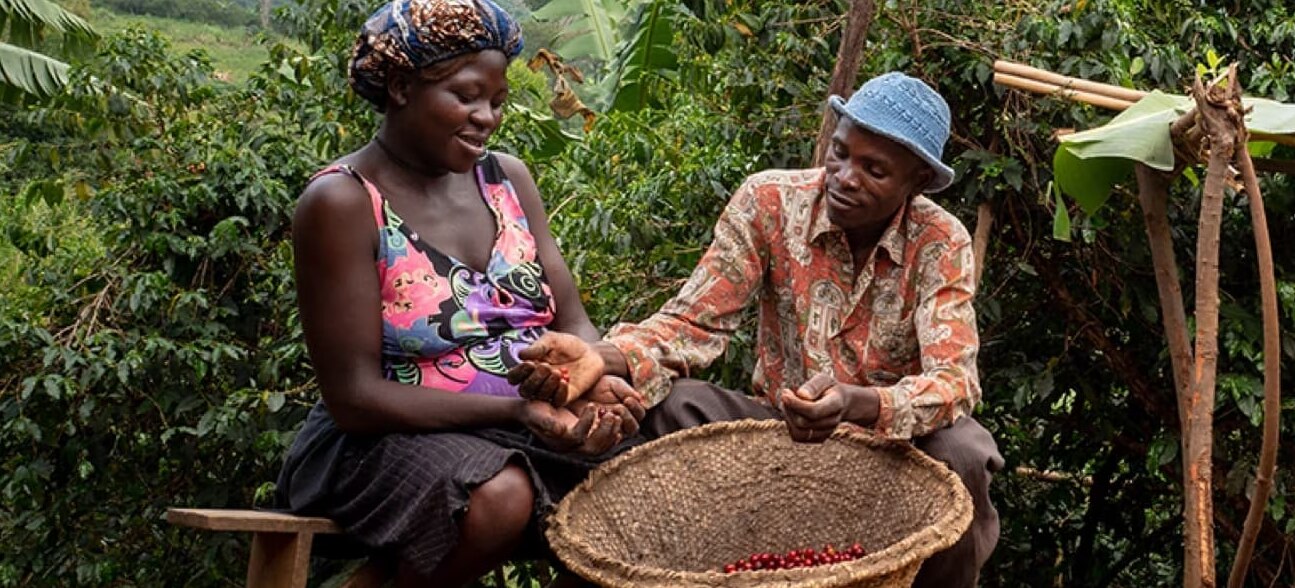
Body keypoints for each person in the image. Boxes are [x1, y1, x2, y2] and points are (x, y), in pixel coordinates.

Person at [511, 72, 1005, 587]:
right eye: (839, 153)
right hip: (779, 427)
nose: (844, 177)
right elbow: (693, 321)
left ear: (917, 182)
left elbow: (954, 380)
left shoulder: (940, 241)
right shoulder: (769, 201)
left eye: (873, 169)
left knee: (964, 453)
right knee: (671, 405)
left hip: (890, 445)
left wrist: (859, 403)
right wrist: (605, 357)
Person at [273, 2, 646, 586]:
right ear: (400, 86)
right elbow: (355, 398)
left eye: (496, 102)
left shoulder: (507, 179)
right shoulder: (342, 203)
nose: (486, 118)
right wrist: (520, 410)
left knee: (650, 483)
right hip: (381, 441)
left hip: (521, 429)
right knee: (499, 496)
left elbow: (574, 323)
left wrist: (590, 379)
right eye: (467, 96)